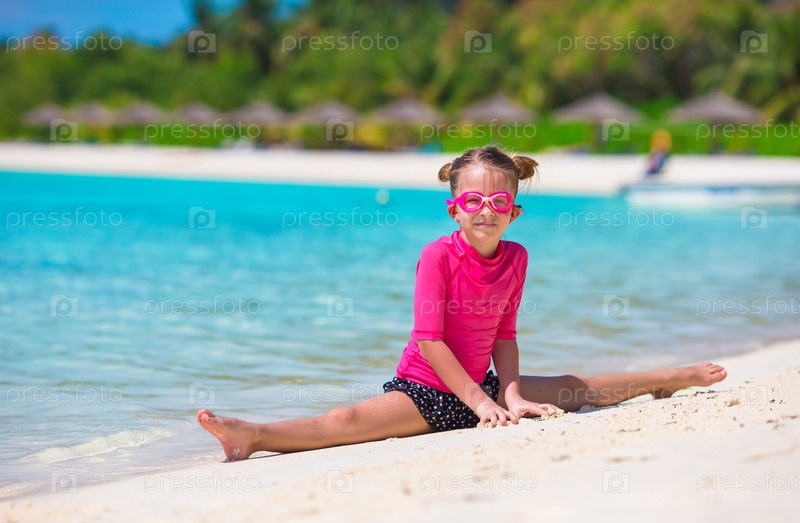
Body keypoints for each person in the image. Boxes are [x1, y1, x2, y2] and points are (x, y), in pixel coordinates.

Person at [197, 146, 727, 460]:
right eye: (473, 200)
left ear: (514, 212)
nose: (485, 210)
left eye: (498, 201)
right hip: (425, 392)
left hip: (486, 391)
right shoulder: (437, 256)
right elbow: (429, 341)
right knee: (344, 419)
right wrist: (479, 403)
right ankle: (251, 435)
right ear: (455, 209)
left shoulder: (516, 258)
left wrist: (511, 397)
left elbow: (505, 335)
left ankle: (669, 377)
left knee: (575, 388)